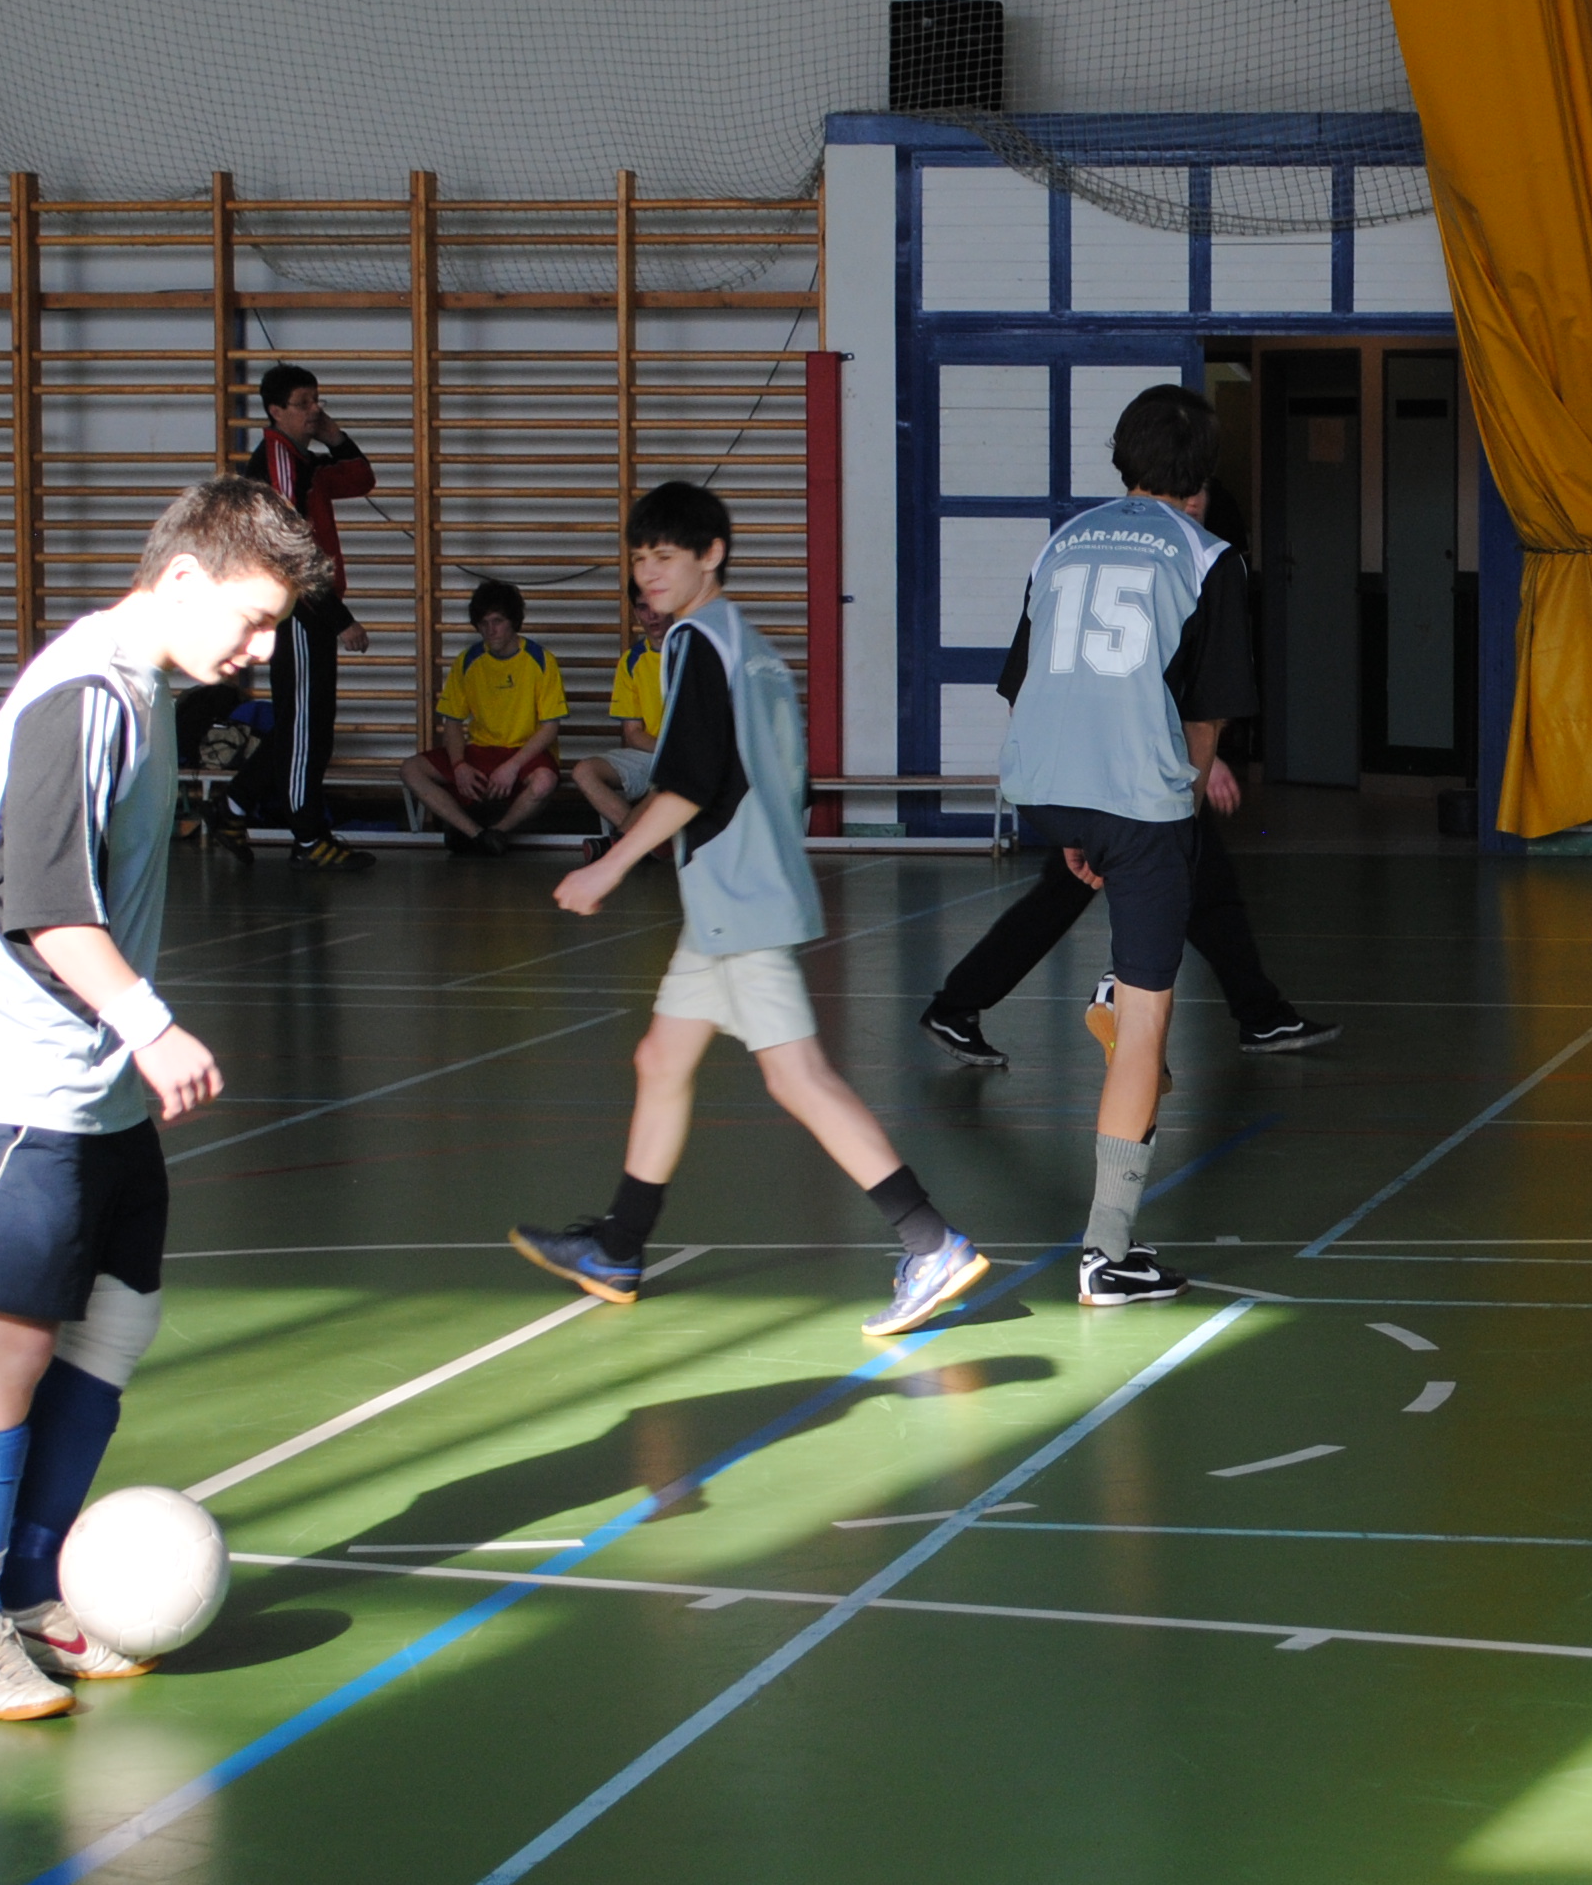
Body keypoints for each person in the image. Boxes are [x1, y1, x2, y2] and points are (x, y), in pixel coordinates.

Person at [0, 475, 324, 1719]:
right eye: (251, 622)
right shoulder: (84, 694)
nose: (258, 653)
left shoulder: (146, 692)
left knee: (118, 1317)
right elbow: (38, 901)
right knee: (9, 1344)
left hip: (89, 1087)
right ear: (181, 578)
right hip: (4, 1079)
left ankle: (35, 1589)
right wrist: (150, 1024)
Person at [508, 481, 987, 1343]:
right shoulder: (751, 645)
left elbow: (692, 781)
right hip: (734, 894)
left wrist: (610, 864)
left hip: (738, 897)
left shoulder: (695, 642)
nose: (648, 573)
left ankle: (930, 1242)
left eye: (665, 556)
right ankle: (618, 1247)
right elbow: (780, 775)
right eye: (640, 558)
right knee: (661, 1058)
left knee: (798, 1078)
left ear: (712, 556)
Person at [920, 479, 1337, 1070]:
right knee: (1095, 895)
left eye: (1199, 493)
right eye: (1187, 491)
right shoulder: (1170, 554)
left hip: (1136, 774)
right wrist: (1203, 763)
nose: (1193, 502)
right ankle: (1143, 1015)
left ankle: (1255, 1012)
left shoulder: (1159, 551)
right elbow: (1130, 681)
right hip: (1135, 784)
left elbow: (1164, 675)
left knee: (1192, 891)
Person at [994, 384, 1259, 1305]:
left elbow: (1023, 680)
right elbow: (1208, 718)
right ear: (1204, 477)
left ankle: (1118, 990)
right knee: (1148, 1024)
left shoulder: (1062, 542)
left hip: (1043, 791)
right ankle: (1107, 1254)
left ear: (1122, 459)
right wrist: (1169, 816)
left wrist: (1078, 826)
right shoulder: (1207, 555)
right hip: (1137, 807)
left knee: (1133, 927)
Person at [236, 362, 379, 872]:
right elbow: (291, 553)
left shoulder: (305, 459)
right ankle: (306, 836)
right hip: (298, 607)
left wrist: (333, 434)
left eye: (316, 399)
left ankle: (232, 806)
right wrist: (341, 619)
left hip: (314, 605)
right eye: (302, 403)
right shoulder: (278, 460)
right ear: (275, 411)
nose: (313, 409)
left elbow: (361, 478)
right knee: (304, 728)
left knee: (309, 723)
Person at [401, 577, 568, 854]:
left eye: (498, 621)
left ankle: (498, 831)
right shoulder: (467, 660)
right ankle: (477, 834)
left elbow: (550, 727)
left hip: (524, 752)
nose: (491, 630)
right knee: (410, 769)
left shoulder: (541, 660)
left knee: (545, 781)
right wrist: (459, 766)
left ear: (514, 621)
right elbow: (453, 722)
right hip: (480, 750)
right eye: (483, 623)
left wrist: (512, 766)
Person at [573, 594, 665, 859]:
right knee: (583, 771)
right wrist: (666, 750)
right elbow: (633, 734)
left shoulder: (695, 653)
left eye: (657, 606)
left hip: (691, 757)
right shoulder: (632, 660)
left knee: (674, 775)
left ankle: (622, 843)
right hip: (652, 752)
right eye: (643, 608)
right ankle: (651, 843)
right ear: (635, 613)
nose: (652, 615)